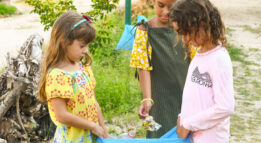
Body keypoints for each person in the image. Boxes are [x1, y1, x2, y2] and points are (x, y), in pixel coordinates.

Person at [39, 11, 112, 142]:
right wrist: (92, 125)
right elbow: (61, 115)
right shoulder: (57, 76)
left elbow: (94, 103)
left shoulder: (83, 69)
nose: (86, 50)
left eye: (87, 45)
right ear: (64, 42)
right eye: (82, 45)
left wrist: (105, 133)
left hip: (90, 136)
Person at [130, 0, 199, 138]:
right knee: (157, 133)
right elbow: (143, 68)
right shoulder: (144, 30)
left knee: (185, 134)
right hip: (157, 99)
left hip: (185, 95)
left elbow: (196, 62)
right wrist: (147, 99)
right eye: (161, 5)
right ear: (154, 2)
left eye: (172, 7)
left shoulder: (187, 28)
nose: (166, 12)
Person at [169, 0, 235, 142]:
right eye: (181, 33)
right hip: (194, 136)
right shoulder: (199, 54)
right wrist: (183, 116)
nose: (185, 39)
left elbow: (226, 106)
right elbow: (197, 96)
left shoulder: (219, 59)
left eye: (187, 33)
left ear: (202, 24)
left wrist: (188, 123)